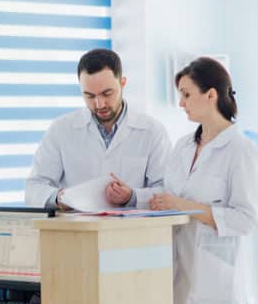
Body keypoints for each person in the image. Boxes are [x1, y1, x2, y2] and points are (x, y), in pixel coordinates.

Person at [151, 57, 258, 304]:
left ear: (210, 94)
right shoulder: (183, 145)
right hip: (186, 275)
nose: (180, 103)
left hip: (219, 277)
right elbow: (166, 195)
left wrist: (186, 208)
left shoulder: (240, 149)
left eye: (186, 94)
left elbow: (245, 217)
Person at [25, 48, 171, 210]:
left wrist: (133, 196)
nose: (99, 104)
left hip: (132, 231)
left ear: (122, 83)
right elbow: (34, 187)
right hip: (80, 232)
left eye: (107, 93)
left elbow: (167, 190)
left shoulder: (152, 131)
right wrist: (59, 198)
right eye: (89, 96)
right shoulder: (61, 129)